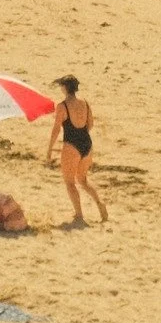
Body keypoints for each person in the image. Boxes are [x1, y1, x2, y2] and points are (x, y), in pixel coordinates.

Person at [46, 75, 107, 225]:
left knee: (70, 182)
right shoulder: (85, 103)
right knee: (83, 180)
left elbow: (56, 129)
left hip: (71, 145)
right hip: (87, 143)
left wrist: (49, 149)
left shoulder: (62, 106)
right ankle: (99, 203)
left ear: (65, 88)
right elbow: (90, 124)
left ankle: (79, 215)